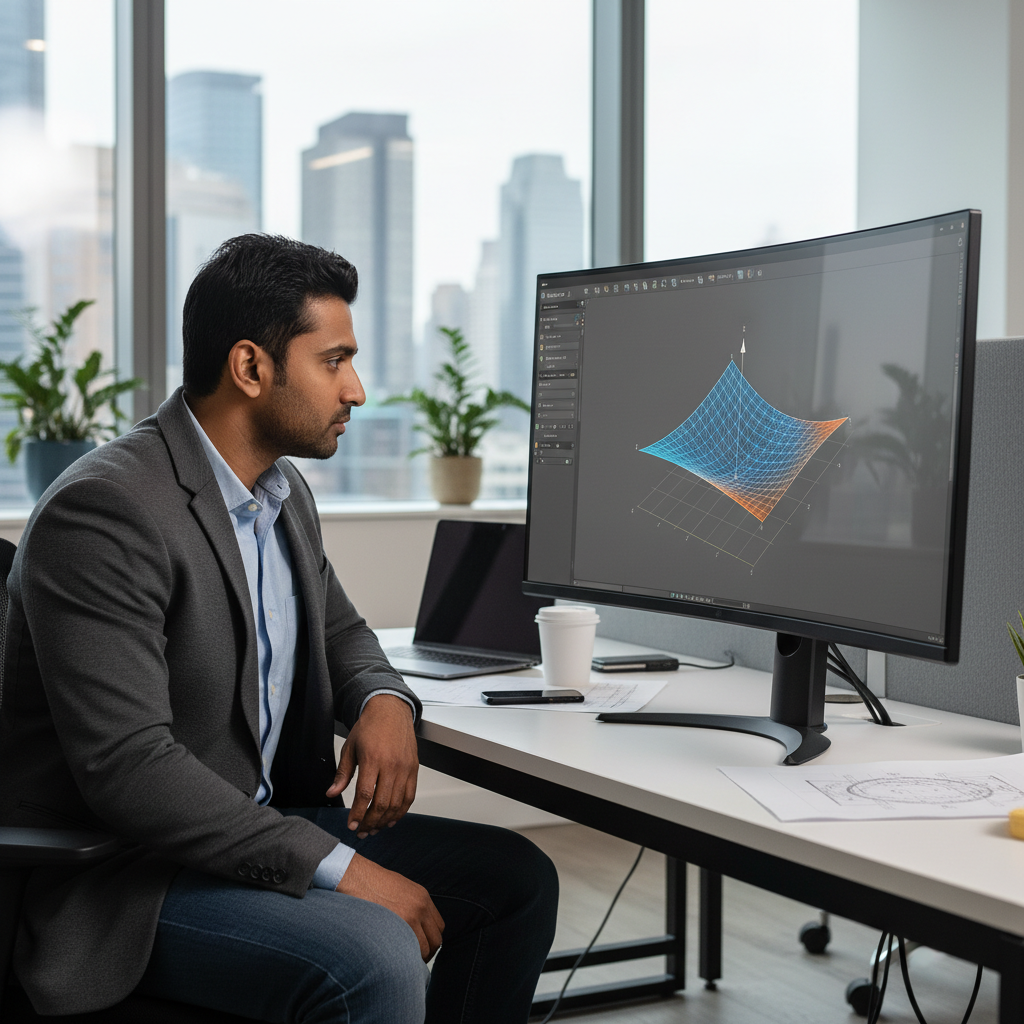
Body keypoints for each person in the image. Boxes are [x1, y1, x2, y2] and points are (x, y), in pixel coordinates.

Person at [0, 234, 558, 1023]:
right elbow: (130, 770)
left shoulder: (278, 490)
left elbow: (344, 633)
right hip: (130, 877)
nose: (357, 390)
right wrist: (343, 870)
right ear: (252, 368)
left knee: (517, 882)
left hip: (254, 830)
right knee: (373, 957)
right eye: (334, 361)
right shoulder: (106, 512)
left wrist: (384, 702)